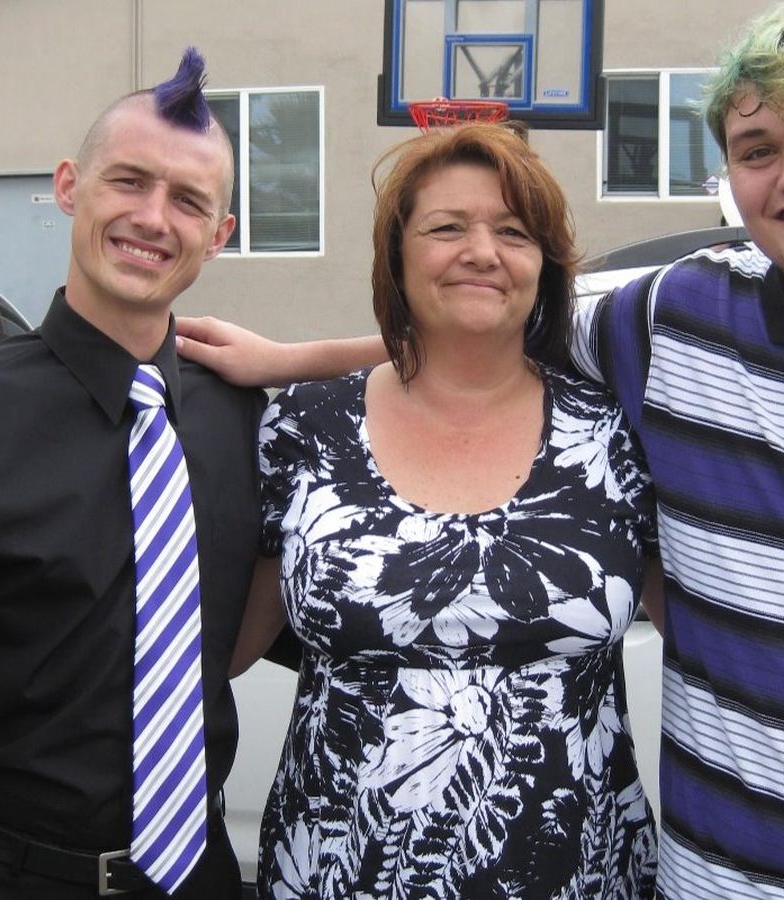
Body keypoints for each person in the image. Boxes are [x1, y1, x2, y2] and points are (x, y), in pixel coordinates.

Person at [179, 4, 784, 898]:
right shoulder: (677, 324)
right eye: (758, 149)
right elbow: (477, 328)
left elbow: (504, 312)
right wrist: (289, 361)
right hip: (709, 882)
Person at [0, 49, 265, 899]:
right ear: (70, 186)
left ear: (219, 235)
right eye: (128, 181)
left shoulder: (238, 415)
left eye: (188, 200)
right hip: (12, 876)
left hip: (200, 876)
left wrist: (313, 358)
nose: (152, 217)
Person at [217, 123, 660, 898]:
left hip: (577, 875)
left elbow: (708, 641)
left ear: (545, 264)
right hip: (338, 876)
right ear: (396, 257)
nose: (482, 252)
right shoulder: (305, 428)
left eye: (513, 232)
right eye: (447, 228)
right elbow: (226, 647)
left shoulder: (614, 433)